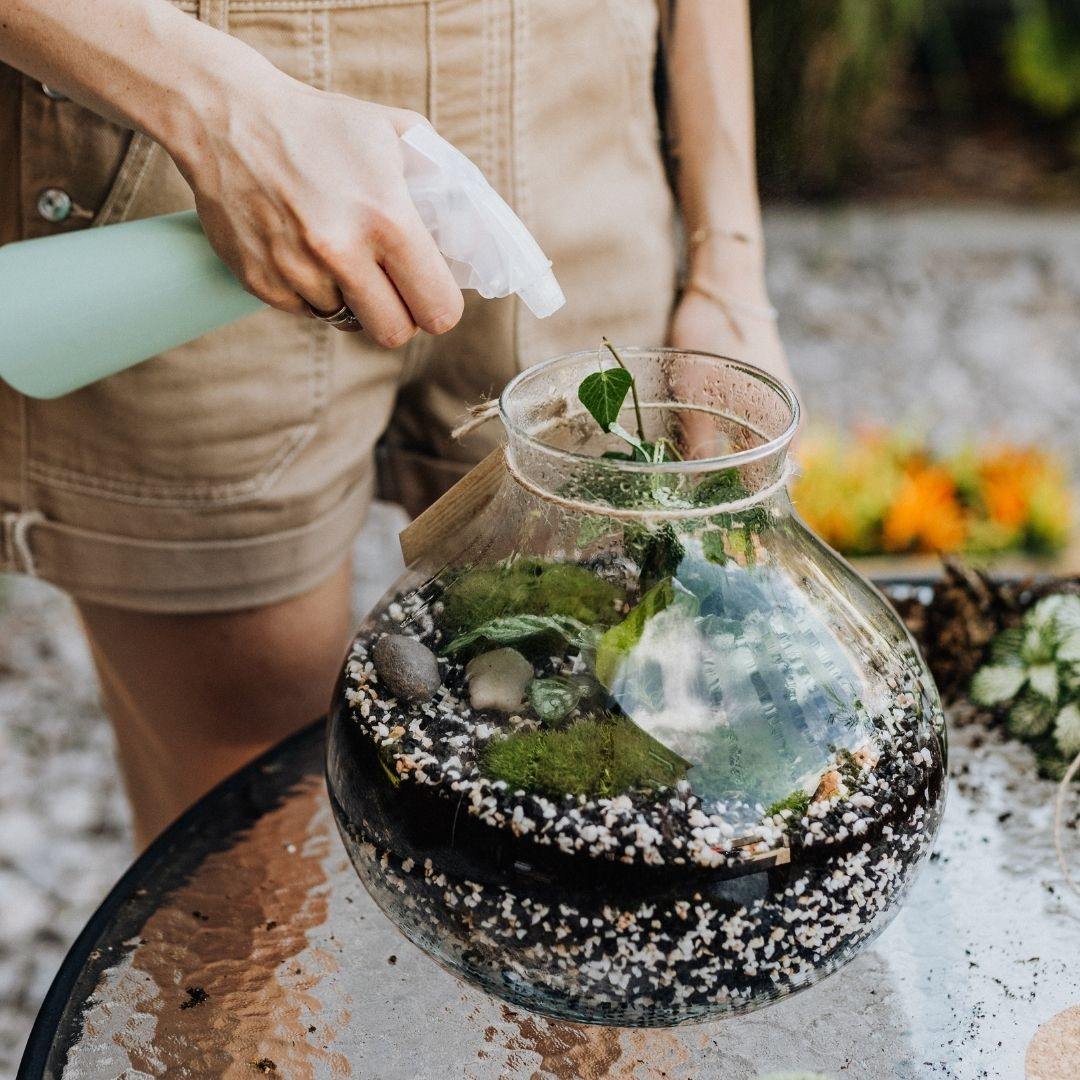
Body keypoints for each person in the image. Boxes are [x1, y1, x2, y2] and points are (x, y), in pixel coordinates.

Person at [0, 0, 791, 848]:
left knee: (600, 765)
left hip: (576, 115)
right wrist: (218, 111)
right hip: (193, 130)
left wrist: (728, 261)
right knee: (250, 817)